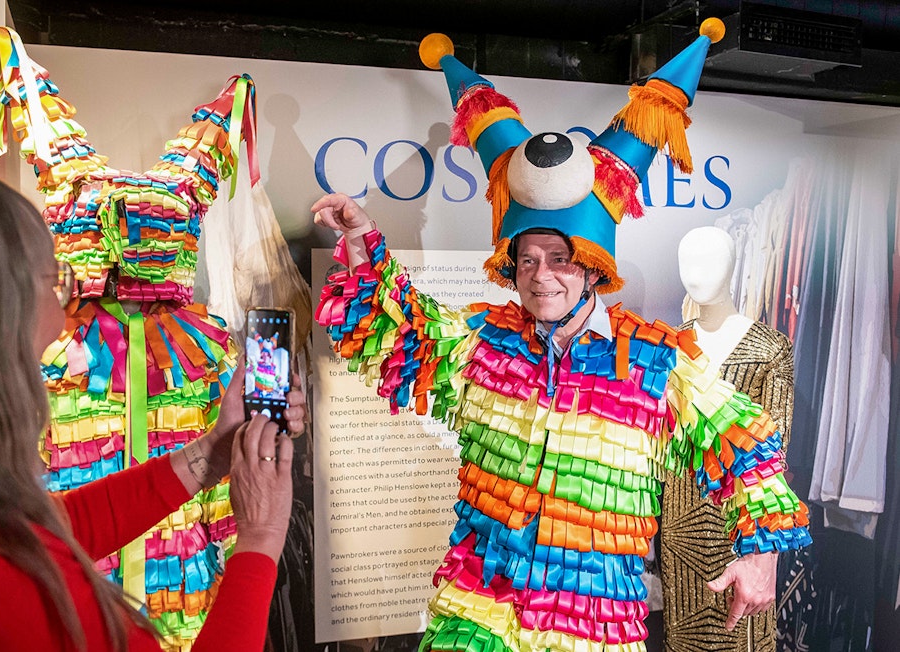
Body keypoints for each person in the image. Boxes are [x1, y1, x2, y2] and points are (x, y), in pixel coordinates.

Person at [314, 20, 810, 652]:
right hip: (475, 620)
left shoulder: (657, 365)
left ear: (593, 265)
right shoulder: (482, 345)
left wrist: (761, 554)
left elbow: (749, 447)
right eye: (526, 260)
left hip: (591, 632)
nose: (540, 277)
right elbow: (397, 327)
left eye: (559, 258)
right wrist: (360, 242)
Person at [0, 169, 305, 651]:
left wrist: (211, 453)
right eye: (52, 285)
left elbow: (53, 527)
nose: (59, 320)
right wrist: (259, 540)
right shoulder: (7, 595)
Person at [660, 226, 801, 652]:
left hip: (740, 532)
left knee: (742, 634)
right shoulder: (669, 345)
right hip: (677, 527)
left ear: (734, 264)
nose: (697, 272)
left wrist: (764, 551)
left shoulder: (770, 348)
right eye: (689, 260)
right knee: (682, 637)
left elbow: (772, 460)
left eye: (710, 259)